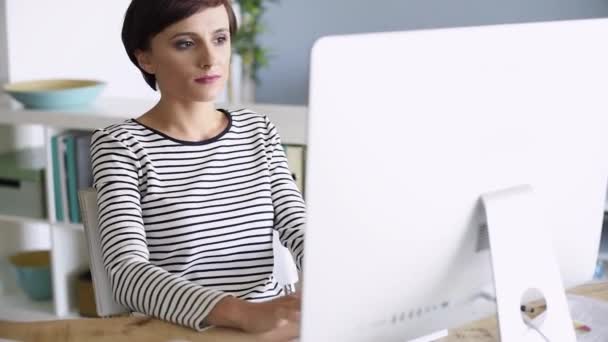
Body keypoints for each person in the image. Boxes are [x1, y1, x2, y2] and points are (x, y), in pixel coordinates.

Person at [89, 0, 305, 338]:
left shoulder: (258, 130)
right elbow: (127, 273)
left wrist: (324, 285)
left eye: (219, 38)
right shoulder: (121, 146)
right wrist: (243, 313)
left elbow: (298, 225)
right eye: (185, 44)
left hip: (272, 325)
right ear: (145, 57)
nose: (210, 58)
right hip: (187, 330)